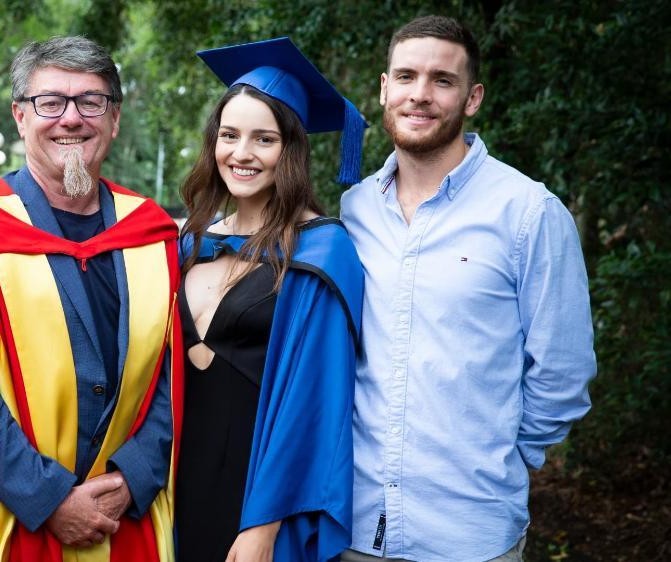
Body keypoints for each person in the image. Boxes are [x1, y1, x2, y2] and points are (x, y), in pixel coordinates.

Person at [0, 36, 182, 561]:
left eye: (91, 102)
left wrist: (135, 475)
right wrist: (47, 496)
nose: (71, 119)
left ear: (114, 118)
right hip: (15, 520)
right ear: (19, 116)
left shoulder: (152, 232)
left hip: (125, 518)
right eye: (50, 102)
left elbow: (175, 376)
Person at [340, 15, 596, 562]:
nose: (421, 95)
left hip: (470, 533)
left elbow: (563, 371)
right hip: (357, 528)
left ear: (472, 97)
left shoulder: (529, 213)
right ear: (385, 88)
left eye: (443, 80)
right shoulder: (354, 210)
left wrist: (498, 455)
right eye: (406, 76)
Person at [176, 37, 366, 562]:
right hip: (175, 479)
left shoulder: (322, 252)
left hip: (257, 489)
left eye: (264, 139)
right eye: (229, 135)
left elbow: (314, 401)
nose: (241, 153)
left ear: (291, 150)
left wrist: (263, 524)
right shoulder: (190, 243)